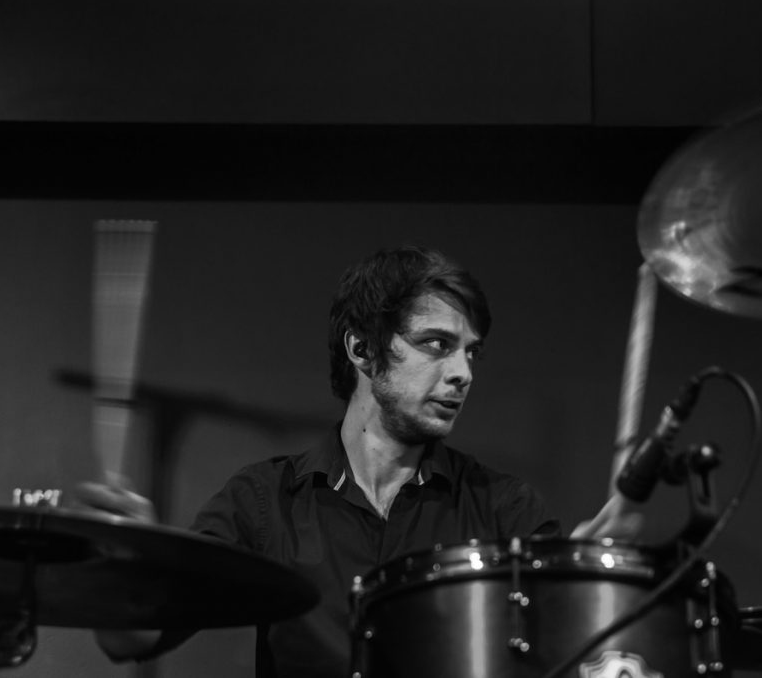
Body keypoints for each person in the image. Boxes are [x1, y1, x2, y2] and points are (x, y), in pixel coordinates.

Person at [78, 245, 639, 677]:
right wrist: (126, 564)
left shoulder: (505, 509)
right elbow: (131, 640)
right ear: (363, 349)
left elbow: (579, 657)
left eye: (471, 352)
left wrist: (590, 594)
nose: (463, 373)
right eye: (437, 344)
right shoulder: (264, 501)